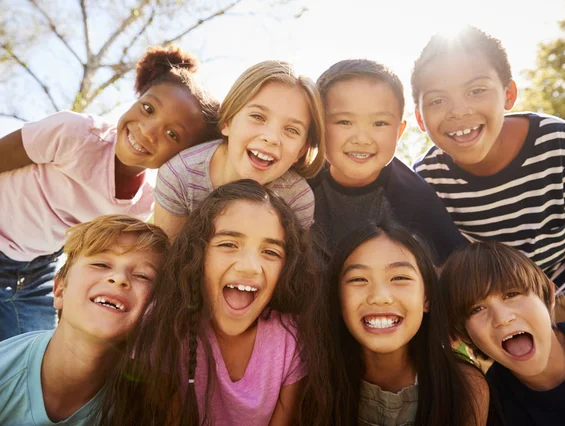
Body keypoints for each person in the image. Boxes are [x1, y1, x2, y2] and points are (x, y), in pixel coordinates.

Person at [0, 45, 220, 341]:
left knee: (30, 361)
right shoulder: (74, 134)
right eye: (148, 108)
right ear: (138, 97)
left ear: (184, 155)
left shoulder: (141, 206)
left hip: (34, 276)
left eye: (172, 134)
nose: (147, 130)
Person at [100, 180, 335, 426]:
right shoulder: (164, 326)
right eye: (228, 244)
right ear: (197, 254)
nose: (249, 266)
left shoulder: (290, 339)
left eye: (270, 252)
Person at [411, 26, 565, 323]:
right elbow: (446, 265)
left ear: (508, 94)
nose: (458, 111)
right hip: (490, 303)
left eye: (476, 90)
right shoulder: (426, 179)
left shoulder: (556, 141)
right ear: (420, 118)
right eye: (437, 100)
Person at [0, 215, 169, 425]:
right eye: (100, 264)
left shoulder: (158, 403)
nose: (119, 279)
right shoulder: (5, 370)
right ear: (60, 289)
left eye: (143, 276)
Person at [328, 220, 494, 426]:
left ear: (427, 297)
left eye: (399, 277)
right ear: (337, 298)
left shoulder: (464, 385)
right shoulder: (315, 378)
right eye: (358, 279)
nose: (380, 297)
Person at [309, 59, 465, 264]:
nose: (362, 139)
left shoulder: (415, 197)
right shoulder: (299, 184)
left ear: (399, 132)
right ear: (319, 125)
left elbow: (456, 267)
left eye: (379, 123)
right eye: (344, 122)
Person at [153, 60, 326, 239]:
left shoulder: (296, 198)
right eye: (257, 116)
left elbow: (292, 264)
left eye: (291, 130)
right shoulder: (180, 176)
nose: (271, 138)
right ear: (228, 121)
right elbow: (167, 260)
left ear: (300, 151)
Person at [441, 241, 565, 425]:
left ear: (547, 294)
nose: (502, 318)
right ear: (464, 335)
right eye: (477, 309)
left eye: (511, 294)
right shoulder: (490, 406)